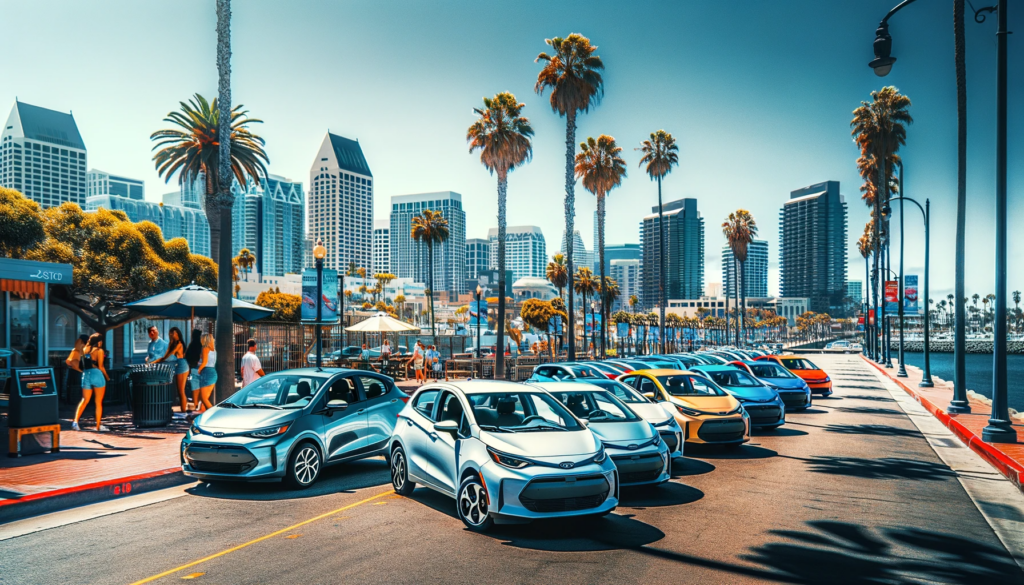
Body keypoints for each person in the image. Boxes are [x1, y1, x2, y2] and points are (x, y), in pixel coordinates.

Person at [73, 333, 109, 431]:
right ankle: (97, 426)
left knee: (84, 400)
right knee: (98, 402)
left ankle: (75, 422)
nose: (101, 342)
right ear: (98, 341)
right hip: (97, 375)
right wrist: (107, 377)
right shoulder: (99, 350)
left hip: (86, 374)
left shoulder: (84, 349)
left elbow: (84, 363)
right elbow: (101, 366)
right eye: (101, 340)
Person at [155, 327, 190, 419]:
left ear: (178, 334)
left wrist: (156, 361)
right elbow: (166, 354)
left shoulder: (179, 344)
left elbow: (168, 355)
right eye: (172, 333)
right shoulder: (172, 343)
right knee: (179, 390)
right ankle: (183, 412)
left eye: (175, 333)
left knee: (181, 390)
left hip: (182, 364)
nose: (173, 335)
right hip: (179, 364)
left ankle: (184, 412)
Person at [193, 334, 218, 414]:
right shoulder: (213, 350)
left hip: (207, 372)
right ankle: (203, 412)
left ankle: (214, 414)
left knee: (203, 398)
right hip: (213, 372)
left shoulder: (205, 348)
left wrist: (199, 370)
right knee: (205, 397)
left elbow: (204, 362)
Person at [65, 334, 89, 403]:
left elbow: (69, 361)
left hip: (76, 371)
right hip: (80, 371)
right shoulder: (84, 350)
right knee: (79, 387)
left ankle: (74, 400)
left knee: (74, 387)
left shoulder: (76, 350)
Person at [184, 328, 203, 409]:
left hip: (193, 367)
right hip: (201, 368)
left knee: (195, 388)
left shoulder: (192, 345)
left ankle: (196, 405)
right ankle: (198, 405)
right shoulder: (201, 345)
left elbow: (186, 356)